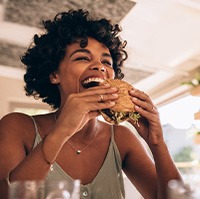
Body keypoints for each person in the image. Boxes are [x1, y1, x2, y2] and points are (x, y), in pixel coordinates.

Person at [0, 9, 182, 199]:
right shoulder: (16, 127)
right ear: (54, 75)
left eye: (107, 61)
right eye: (82, 58)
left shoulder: (121, 138)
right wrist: (61, 132)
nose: (100, 66)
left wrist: (157, 144)